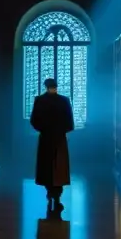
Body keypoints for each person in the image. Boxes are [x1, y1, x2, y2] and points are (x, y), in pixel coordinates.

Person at [29, 77, 74, 210]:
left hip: (46, 138)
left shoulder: (40, 101)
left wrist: (44, 129)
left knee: (47, 167)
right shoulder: (64, 101)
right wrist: (61, 130)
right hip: (59, 138)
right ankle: (56, 195)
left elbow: (34, 120)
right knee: (58, 167)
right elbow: (69, 122)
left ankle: (51, 193)